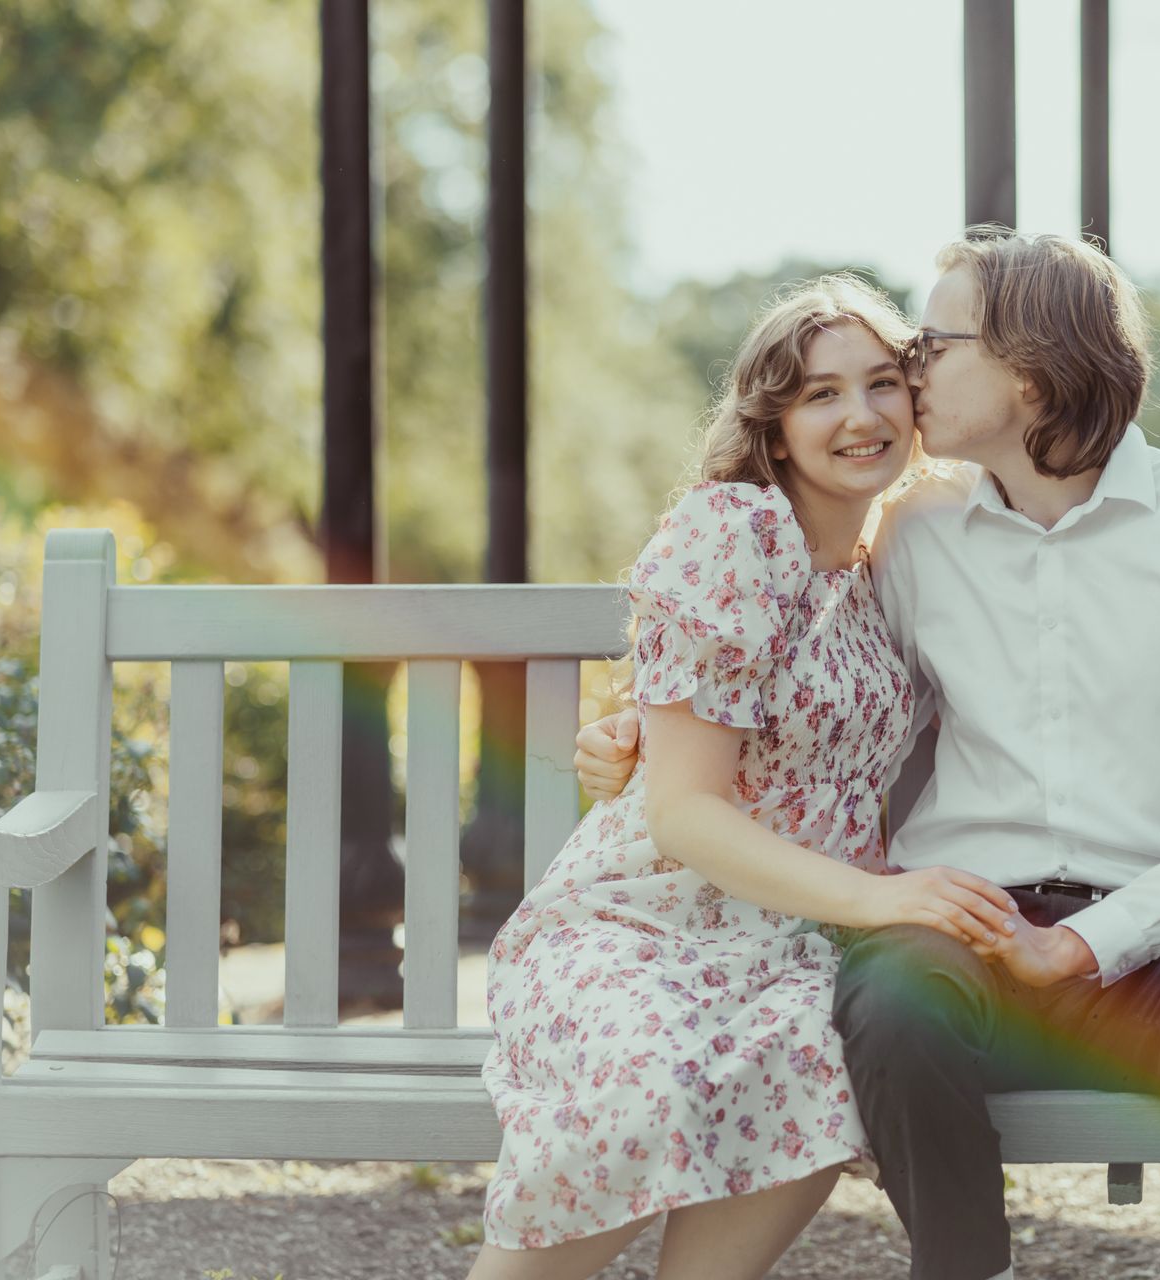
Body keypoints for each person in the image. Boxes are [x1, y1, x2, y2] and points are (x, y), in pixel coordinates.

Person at [573, 228, 1160, 1280]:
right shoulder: (916, 530)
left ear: (1030, 364)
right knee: (892, 998)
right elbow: (804, 679)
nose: (911, 371)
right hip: (958, 916)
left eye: (933, 345)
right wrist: (643, 733)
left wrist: (1079, 944)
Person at [468, 274, 1022, 1280]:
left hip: (794, 938)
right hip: (649, 915)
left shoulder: (885, 552)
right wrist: (882, 895)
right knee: (643, 1082)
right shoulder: (732, 529)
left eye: (883, 383)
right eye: (819, 394)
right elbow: (681, 812)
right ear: (771, 427)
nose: (860, 415)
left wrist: (642, 720)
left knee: (821, 1054)